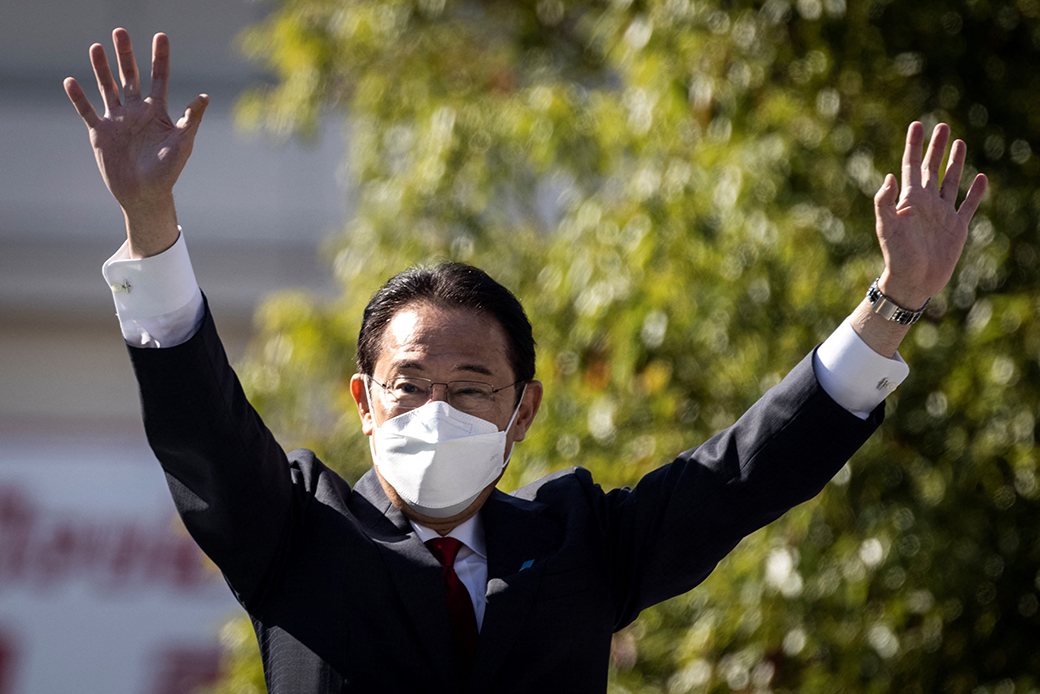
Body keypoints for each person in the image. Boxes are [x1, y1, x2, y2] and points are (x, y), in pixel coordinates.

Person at [64, 28, 987, 694]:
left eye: (472, 389)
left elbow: (747, 471)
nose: (438, 410)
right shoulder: (294, 531)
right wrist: (151, 226)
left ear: (524, 409)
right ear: (363, 401)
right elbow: (201, 426)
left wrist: (895, 301)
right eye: (411, 385)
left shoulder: (581, 542)